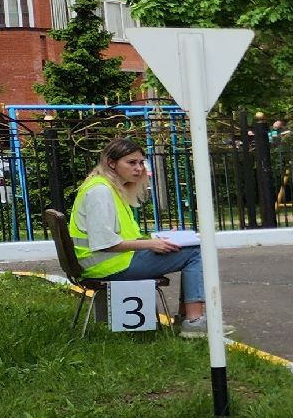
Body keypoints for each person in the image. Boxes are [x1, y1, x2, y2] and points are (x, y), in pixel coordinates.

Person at [68, 137, 227, 338]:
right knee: (196, 252)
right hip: (108, 265)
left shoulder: (107, 187)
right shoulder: (101, 191)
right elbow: (105, 243)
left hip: (109, 262)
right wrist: (151, 244)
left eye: (141, 162)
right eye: (131, 162)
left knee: (188, 248)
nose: (139, 168)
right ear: (111, 163)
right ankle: (194, 321)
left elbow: (122, 236)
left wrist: (159, 239)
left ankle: (187, 317)